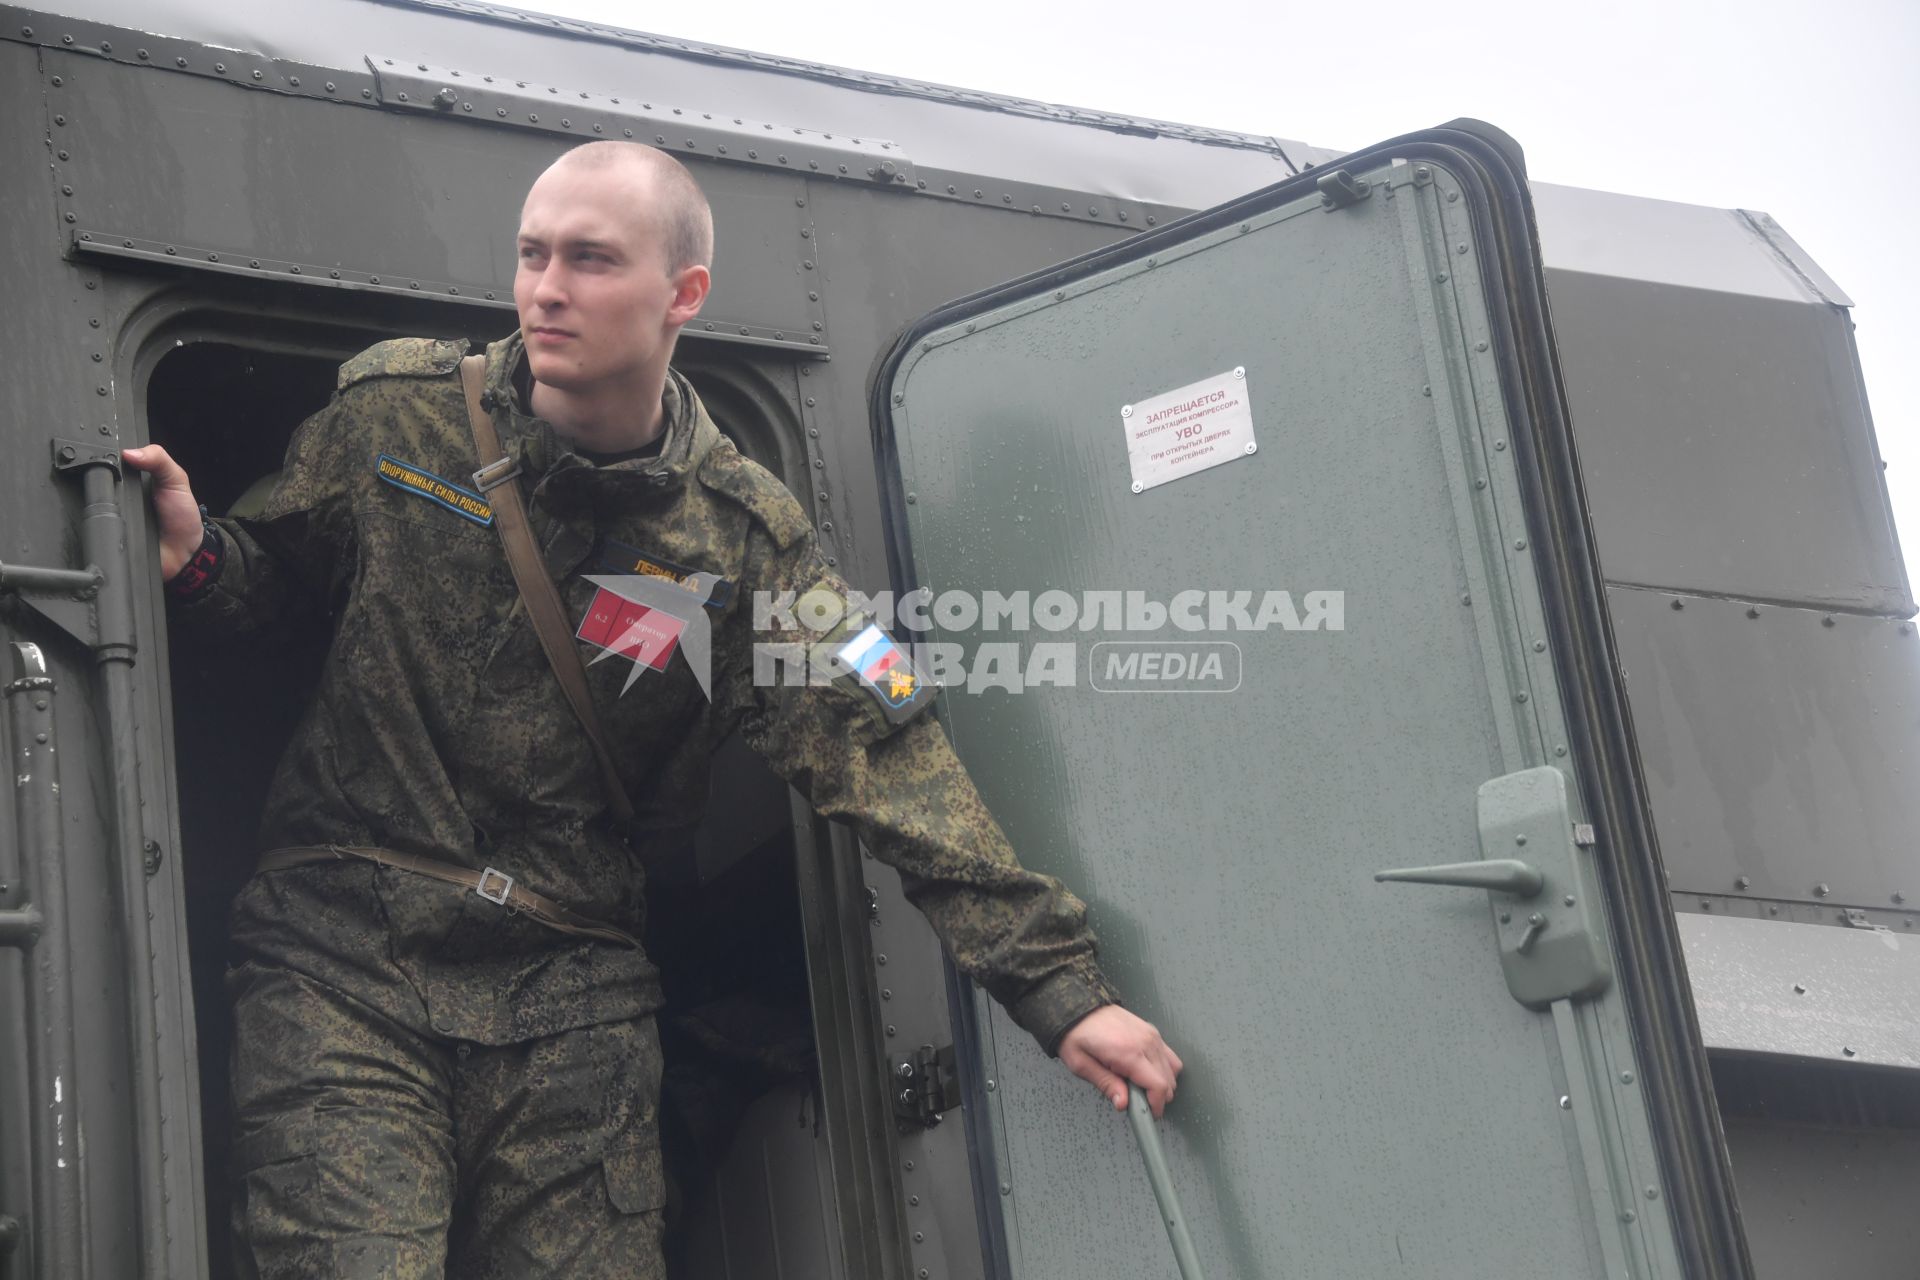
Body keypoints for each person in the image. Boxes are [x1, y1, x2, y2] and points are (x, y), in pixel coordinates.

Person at [124, 140, 1182, 1278]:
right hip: (343, 960)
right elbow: (274, 579)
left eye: (589, 259)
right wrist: (197, 556)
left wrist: (1059, 990)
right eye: (532, 255)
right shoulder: (401, 414)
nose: (544, 289)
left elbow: (887, 758)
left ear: (684, 294)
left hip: (572, 993)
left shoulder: (741, 537)